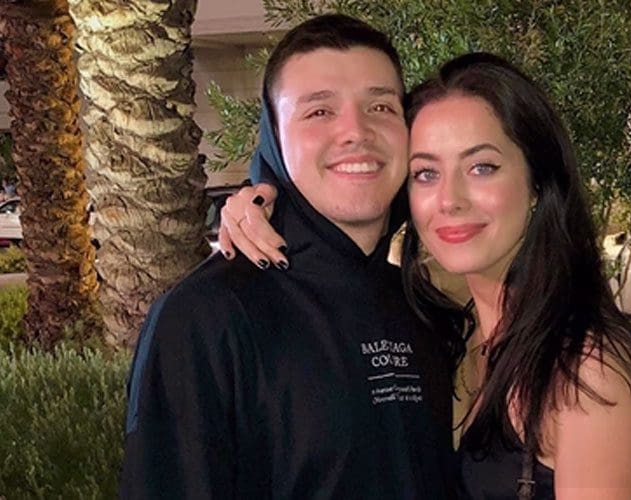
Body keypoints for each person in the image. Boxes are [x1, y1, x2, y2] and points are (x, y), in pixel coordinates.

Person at [222, 52, 631, 498]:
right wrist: (265, 198)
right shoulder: (455, 333)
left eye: (482, 167)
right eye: (426, 173)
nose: (450, 199)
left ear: (538, 182)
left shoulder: (585, 370)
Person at [119, 15, 460, 499]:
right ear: (274, 139)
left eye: (381, 106)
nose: (356, 131)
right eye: (319, 111)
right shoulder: (206, 318)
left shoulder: (427, 307)